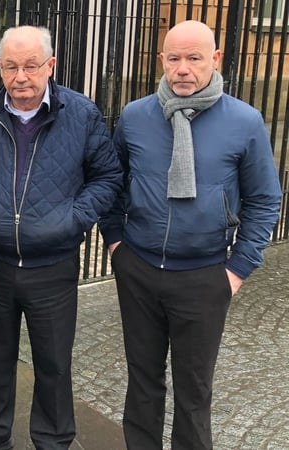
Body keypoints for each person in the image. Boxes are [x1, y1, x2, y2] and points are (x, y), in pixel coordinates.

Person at [98, 20, 282, 450]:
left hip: (204, 275)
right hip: (139, 267)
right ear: (161, 61)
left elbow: (264, 199)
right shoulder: (135, 115)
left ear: (214, 59)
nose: (183, 69)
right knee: (142, 381)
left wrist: (237, 269)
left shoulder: (245, 121)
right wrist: (115, 241)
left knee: (194, 391)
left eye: (194, 58)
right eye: (174, 59)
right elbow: (112, 181)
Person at [0, 25, 123, 450]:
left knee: (53, 363)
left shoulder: (81, 114)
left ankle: (53, 440)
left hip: (53, 264)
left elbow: (107, 176)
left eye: (31, 66)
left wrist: (72, 219)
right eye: (10, 67)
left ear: (51, 65)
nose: (21, 77)